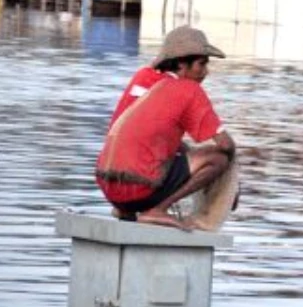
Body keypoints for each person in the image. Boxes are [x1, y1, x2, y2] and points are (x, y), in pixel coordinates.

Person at [95, 26, 236, 230]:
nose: (206, 72)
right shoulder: (189, 89)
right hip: (139, 187)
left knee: (179, 151)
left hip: (109, 188)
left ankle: (126, 210)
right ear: (181, 63)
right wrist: (231, 182)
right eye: (201, 64)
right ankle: (158, 210)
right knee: (219, 159)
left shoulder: (143, 77)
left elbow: (131, 131)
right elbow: (226, 145)